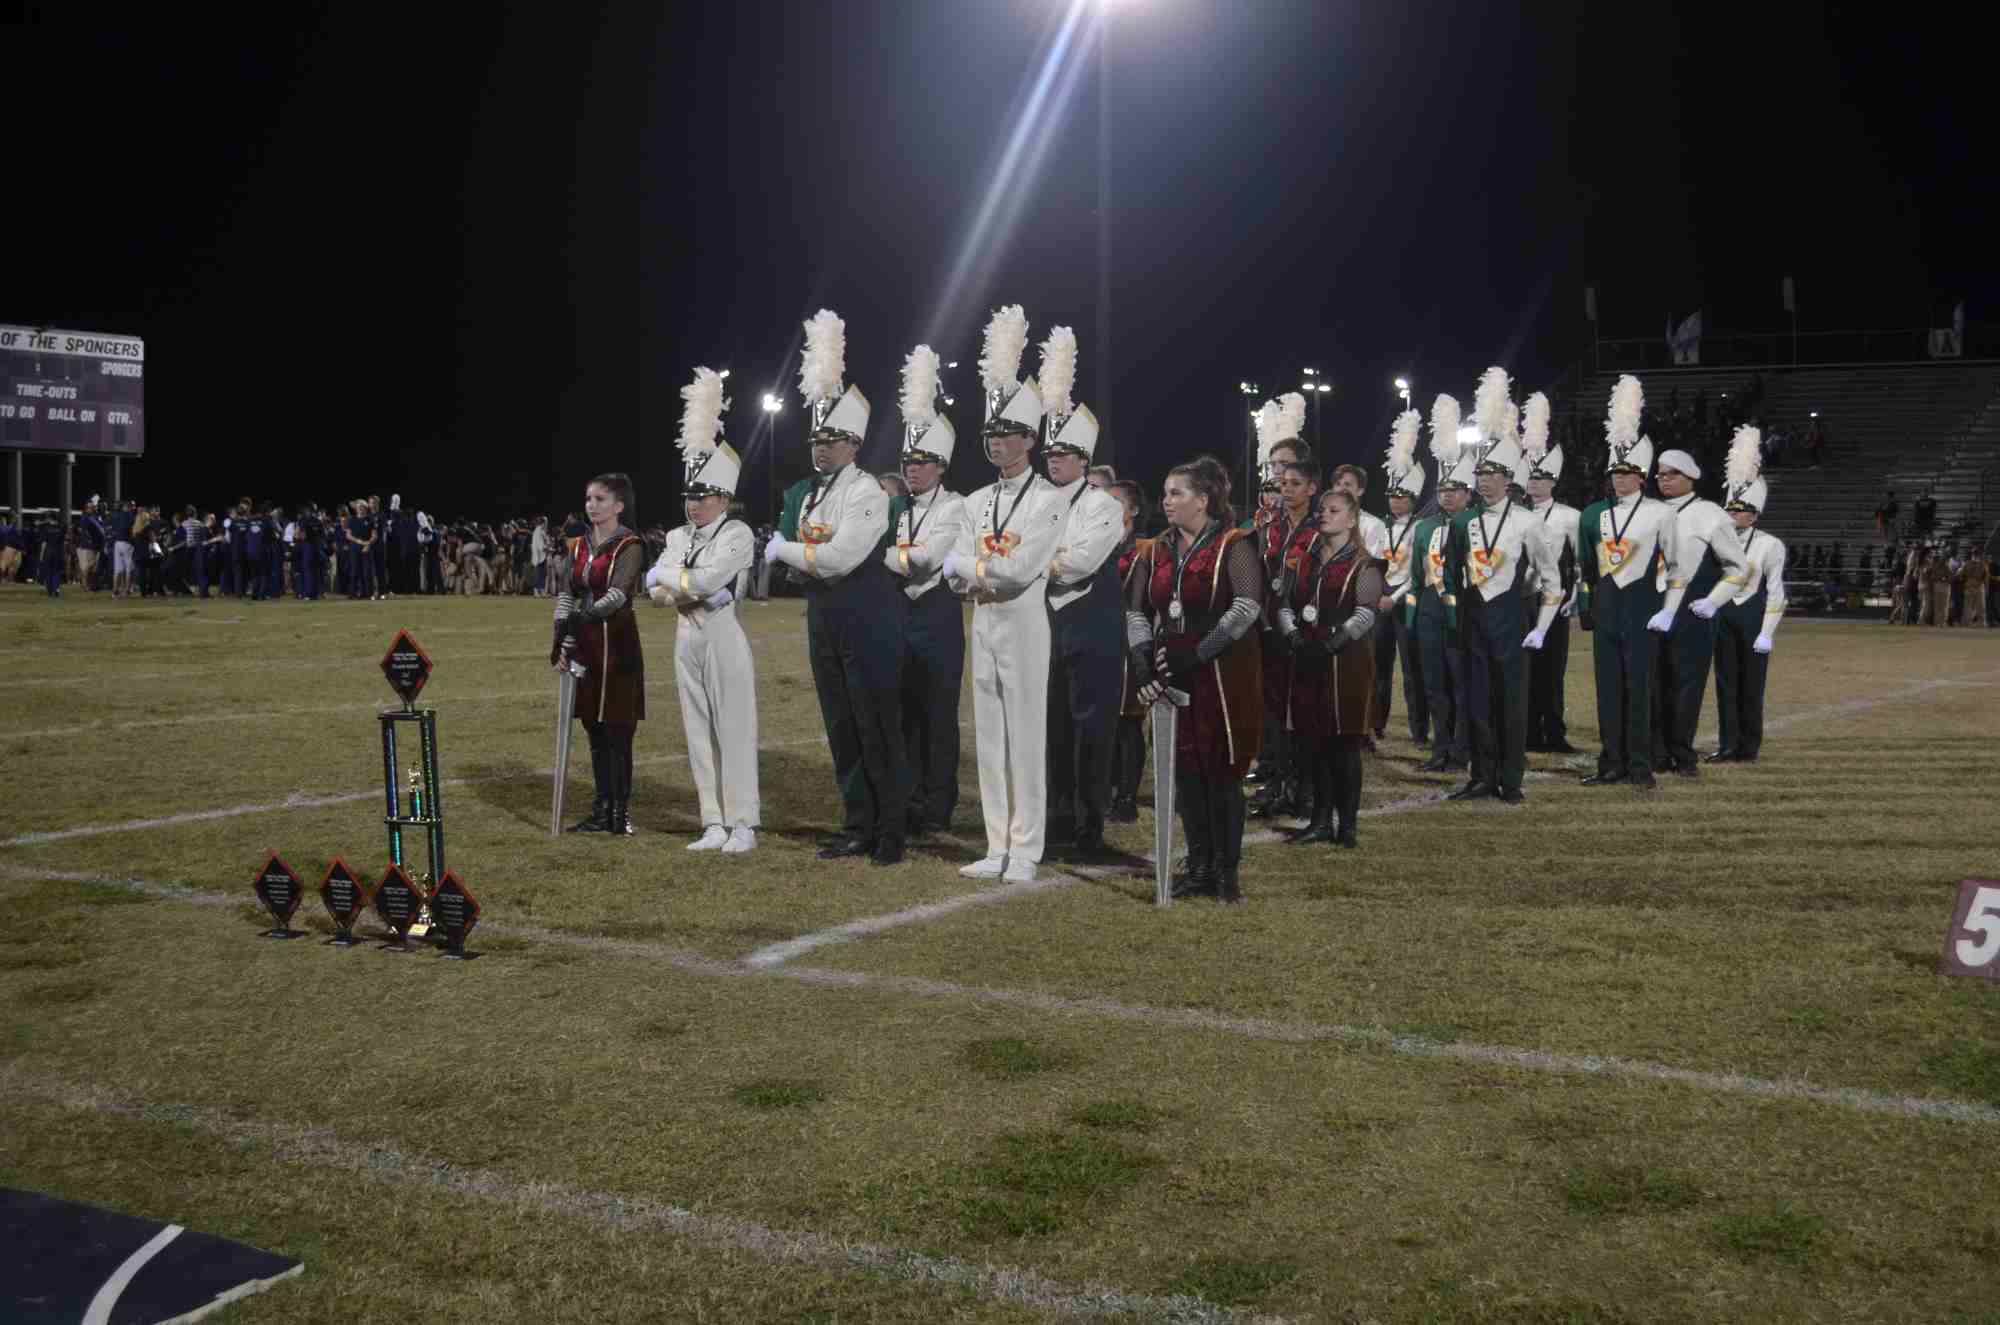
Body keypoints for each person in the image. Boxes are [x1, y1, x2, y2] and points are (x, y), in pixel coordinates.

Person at [768, 373, 910, 866]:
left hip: (866, 613)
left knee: (877, 724)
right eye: (817, 440)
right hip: (823, 613)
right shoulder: (807, 492)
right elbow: (814, 559)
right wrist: (801, 554)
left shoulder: (867, 491)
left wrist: (783, 549)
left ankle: (891, 830)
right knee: (841, 724)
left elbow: (836, 560)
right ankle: (857, 825)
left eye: (832, 440)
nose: (822, 448)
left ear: (854, 444)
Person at [943, 376, 1067, 883]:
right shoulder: (974, 501)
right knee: (990, 735)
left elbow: (1019, 571)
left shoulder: (1049, 500)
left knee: (1026, 733)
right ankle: (997, 844)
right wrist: (973, 571)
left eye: (1007, 433)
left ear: (1030, 439)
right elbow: (952, 574)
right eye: (990, 434)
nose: (995, 442)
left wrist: (969, 568)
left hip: (1024, 621)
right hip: (984, 618)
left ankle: (1026, 848)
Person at [1126, 455, 1263, 901]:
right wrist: (1143, 660)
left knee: (1221, 772)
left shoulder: (1233, 544)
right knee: (1184, 773)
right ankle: (1199, 865)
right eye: (1165, 493)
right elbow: (1136, 612)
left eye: (1176, 493)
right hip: (1173, 672)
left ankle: (1226, 873)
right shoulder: (1154, 550)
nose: (1166, 501)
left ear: (1202, 500)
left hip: (1223, 674)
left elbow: (1246, 607)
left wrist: (1200, 652)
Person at [647, 368, 759, 853]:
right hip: (685, 635)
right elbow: (658, 594)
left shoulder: (737, 533)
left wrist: (668, 577)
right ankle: (712, 821)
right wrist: (678, 583)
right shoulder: (677, 535)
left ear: (724, 498)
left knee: (734, 728)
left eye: (703, 496)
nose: (693, 504)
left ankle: (743, 823)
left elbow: (705, 582)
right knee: (696, 731)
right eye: (689, 496)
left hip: (721, 634)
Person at [1445, 428, 1562, 803]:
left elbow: (1551, 578)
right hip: (1474, 619)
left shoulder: (1528, 521)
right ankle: (1481, 776)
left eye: (1492, 474)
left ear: (1509, 479)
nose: (1485, 480)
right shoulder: (1462, 522)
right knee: (1477, 701)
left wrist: (1541, 627)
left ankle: (1510, 779)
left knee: (1511, 701)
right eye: (1480, 473)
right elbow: (1451, 576)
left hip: (1512, 620)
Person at [1575, 376, 1676, 789]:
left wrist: (1668, 609)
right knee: (1608, 691)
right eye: (1615, 471)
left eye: (1628, 472)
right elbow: (1585, 566)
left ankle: (1640, 765)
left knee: (1640, 690)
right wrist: (1586, 606)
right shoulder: (1593, 514)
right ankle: (1610, 763)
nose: (1620, 478)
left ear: (1642, 476)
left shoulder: (1660, 513)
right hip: (1606, 609)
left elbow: (1676, 567)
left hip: (1642, 608)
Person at [886, 354, 968, 839]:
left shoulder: (955, 506)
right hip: (898, 614)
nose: (912, 469)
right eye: (908, 462)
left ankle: (939, 802)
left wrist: (891, 556)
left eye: (921, 462)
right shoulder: (895, 507)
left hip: (937, 617)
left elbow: (926, 559)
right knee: (904, 713)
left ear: (940, 466)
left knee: (938, 715)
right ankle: (911, 798)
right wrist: (900, 556)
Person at [1276, 488, 1381, 846]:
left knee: (1345, 743)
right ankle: (1320, 821)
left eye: (1334, 510)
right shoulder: (1305, 558)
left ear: (1351, 520)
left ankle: (1347, 826)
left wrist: (1335, 641)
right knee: (1314, 741)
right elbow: (1285, 602)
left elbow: (1366, 612)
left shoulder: (1365, 564)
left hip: (1346, 661)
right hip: (1308, 654)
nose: (1324, 514)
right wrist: (1293, 634)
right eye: (1322, 509)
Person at [1043, 402, 1125, 854]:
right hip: (1045, 623)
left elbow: (1080, 563)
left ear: (1084, 459)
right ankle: (1056, 818)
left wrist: (1029, 562)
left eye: (1064, 453)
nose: (1054, 460)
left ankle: (1089, 824)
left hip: (1093, 626)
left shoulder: (1102, 504)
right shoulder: (1035, 500)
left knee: (1091, 729)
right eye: (1050, 453)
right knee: (1052, 725)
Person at [553, 472, 647, 836]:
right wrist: (562, 635)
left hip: (616, 642)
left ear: (618, 506)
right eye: (589, 498)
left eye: (600, 499)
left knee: (617, 728)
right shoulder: (578, 545)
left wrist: (584, 617)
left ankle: (619, 814)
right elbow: (567, 592)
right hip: (586, 640)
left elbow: (618, 594)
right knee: (593, 725)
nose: (591, 505)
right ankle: (601, 809)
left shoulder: (630, 545)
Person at [1648, 447, 1749, 778]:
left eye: (1672, 474)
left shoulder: (1711, 514)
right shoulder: (1647, 510)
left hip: (1692, 608)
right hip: (1650, 607)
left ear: (1691, 477)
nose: (1664, 479)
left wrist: (1713, 601)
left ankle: (1682, 752)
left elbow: (1738, 568)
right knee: (1652, 682)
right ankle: (1656, 752)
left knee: (1686, 683)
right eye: (1660, 474)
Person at [1248, 401, 1318, 819]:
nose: (1278, 476)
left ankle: (1303, 787)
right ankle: (1275, 783)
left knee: (1303, 710)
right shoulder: (1270, 522)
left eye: (1287, 468)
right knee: (1273, 707)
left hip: (1306, 629)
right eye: (1274, 467)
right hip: (1270, 626)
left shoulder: (1320, 523)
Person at [1710, 427, 1786, 764]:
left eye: (1739, 510)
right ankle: (1728, 744)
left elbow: (1776, 589)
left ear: (1754, 514)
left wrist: (1768, 632)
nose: (1733, 515)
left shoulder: (1770, 544)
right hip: (1722, 615)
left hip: (1753, 615)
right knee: (1725, 683)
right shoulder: (1716, 541)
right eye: (1730, 509)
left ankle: (1749, 746)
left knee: (1752, 685)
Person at [1414, 396, 1473, 775]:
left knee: (1462, 685)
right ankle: (1441, 747)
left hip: (1464, 614)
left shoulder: (1476, 523)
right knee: (1434, 685)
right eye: (1443, 490)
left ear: (1468, 492)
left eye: (1455, 489)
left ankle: (1462, 750)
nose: (1448, 495)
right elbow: (1416, 576)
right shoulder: (1424, 527)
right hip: (1430, 612)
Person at [1522, 429, 1582, 753]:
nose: (1534, 483)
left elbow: (1581, 562)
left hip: (1553, 597)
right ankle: (1529, 732)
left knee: (1552, 668)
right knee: (1526, 668)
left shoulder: (1570, 516)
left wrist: (1577, 595)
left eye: (1540, 478)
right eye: (1531, 477)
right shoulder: (1515, 514)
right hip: (1522, 599)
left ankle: (1555, 732)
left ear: (1553, 482)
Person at [1373, 411, 1429, 747]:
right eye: (1393, 496)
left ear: (1413, 499)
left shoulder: (1420, 528)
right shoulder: (1381, 527)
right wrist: (1379, 595)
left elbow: (1418, 571)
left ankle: (1419, 730)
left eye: (1403, 497)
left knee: (1412, 669)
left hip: (1406, 600)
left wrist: (1393, 597)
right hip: (1381, 600)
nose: (1396, 501)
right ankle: (1376, 724)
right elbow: (1374, 564)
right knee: (1379, 668)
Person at [1108, 479, 1152, 822]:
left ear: (1133, 510)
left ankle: (1126, 797)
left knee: (1128, 720)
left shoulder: (1143, 549)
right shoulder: (1098, 540)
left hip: (1127, 643)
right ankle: (1107, 788)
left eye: (1116, 503)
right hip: (1100, 641)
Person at [77, 498, 105, 592]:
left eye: (92, 507)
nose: (91, 508)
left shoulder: (93, 516)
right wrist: (89, 539)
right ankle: (84, 584)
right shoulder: (85, 517)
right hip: (87, 545)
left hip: (95, 545)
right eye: (90, 507)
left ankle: (88, 584)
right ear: (86, 508)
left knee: (93, 566)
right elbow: (82, 530)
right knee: (88, 566)